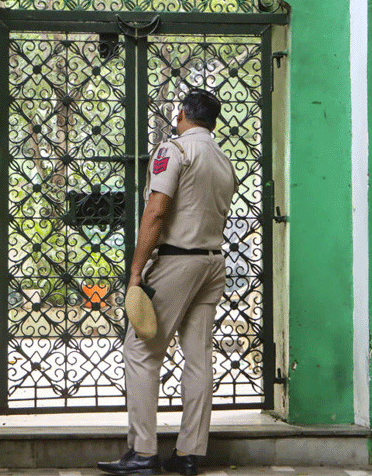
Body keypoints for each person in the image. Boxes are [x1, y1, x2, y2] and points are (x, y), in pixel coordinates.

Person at [98, 89, 237, 476]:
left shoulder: (173, 150)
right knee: (198, 357)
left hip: (178, 261)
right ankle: (189, 455)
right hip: (213, 263)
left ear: (181, 116)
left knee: (140, 352)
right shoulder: (224, 161)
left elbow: (157, 211)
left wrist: (136, 272)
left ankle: (143, 453)